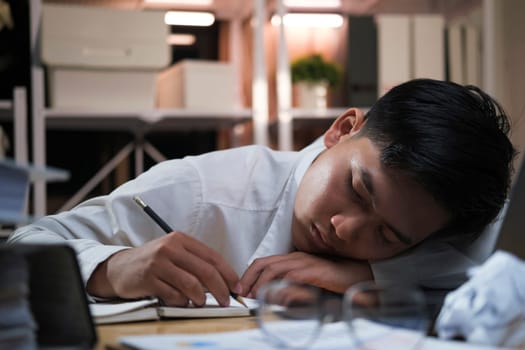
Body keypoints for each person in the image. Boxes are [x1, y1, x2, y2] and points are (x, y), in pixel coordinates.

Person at [8, 79, 516, 308]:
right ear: (341, 129)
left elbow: (495, 259)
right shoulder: (209, 190)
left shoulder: (428, 228)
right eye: (357, 191)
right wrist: (111, 267)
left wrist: (368, 271)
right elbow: (22, 245)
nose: (345, 229)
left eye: (386, 234)